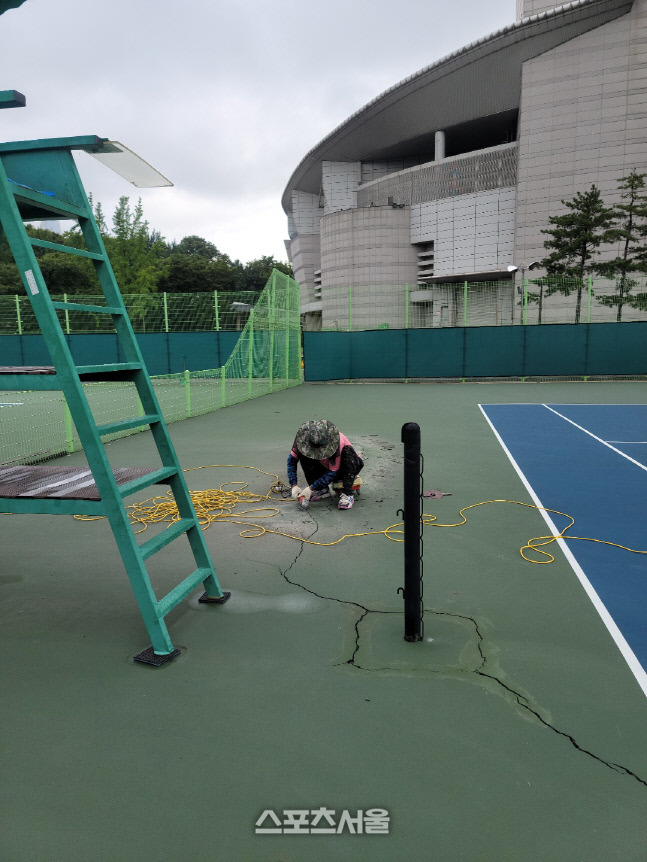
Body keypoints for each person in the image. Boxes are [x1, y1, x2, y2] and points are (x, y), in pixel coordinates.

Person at [287, 419, 363, 510]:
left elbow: (332, 472)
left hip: (346, 468)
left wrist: (311, 488)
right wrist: (293, 485)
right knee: (304, 455)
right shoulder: (302, 439)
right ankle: (322, 490)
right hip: (324, 466)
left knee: (347, 452)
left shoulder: (337, 441)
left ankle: (348, 494)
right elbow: (292, 461)